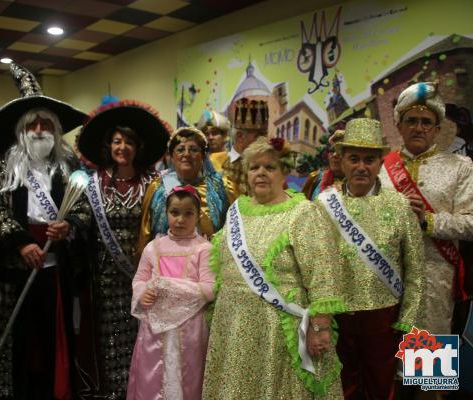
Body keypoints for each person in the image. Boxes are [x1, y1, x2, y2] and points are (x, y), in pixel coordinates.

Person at [203, 136, 345, 399]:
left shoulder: (302, 213)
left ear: (284, 173)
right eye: (254, 167)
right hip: (234, 327)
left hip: (278, 331)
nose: (260, 173)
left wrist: (320, 327)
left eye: (269, 167)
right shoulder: (237, 209)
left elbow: (323, 274)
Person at [0, 63, 87, 399]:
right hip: (20, 263)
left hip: (58, 263)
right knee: (20, 338)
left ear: (55, 130)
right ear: (21, 130)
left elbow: (84, 205)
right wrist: (20, 244)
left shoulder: (69, 164)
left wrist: (70, 224)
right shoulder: (4, 163)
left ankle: (56, 389)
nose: (39, 129)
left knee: (54, 332)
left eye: (45, 124)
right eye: (32, 124)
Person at [317, 118, 426, 399]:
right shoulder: (323, 205)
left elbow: (415, 269)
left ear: (380, 163)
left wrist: (407, 320)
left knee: (381, 386)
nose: (361, 167)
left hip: (383, 316)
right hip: (337, 317)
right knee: (342, 387)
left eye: (369, 159)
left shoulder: (399, 206)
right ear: (340, 161)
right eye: (354, 158)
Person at [72, 100, 170, 399]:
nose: (123, 147)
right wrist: (70, 225)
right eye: (117, 141)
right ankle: (114, 391)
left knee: (144, 335)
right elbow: (83, 217)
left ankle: (143, 388)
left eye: (129, 141)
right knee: (110, 338)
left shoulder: (153, 182)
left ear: (138, 147)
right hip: (105, 278)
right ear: (108, 145)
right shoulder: (93, 183)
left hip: (144, 275)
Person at [379, 82, 473, 335]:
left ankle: (426, 377)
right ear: (399, 126)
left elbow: (471, 223)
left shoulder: (460, 167)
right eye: (411, 120)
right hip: (382, 275)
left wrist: (427, 221)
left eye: (426, 122)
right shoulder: (380, 168)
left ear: (437, 129)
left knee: (428, 370)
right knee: (382, 361)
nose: (418, 128)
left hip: (434, 279)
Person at [127, 185, 214, 399]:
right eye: (174, 213)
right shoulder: (153, 248)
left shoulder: (204, 249)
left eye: (188, 213)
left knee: (189, 375)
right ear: (166, 213)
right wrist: (142, 293)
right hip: (155, 330)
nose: (180, 219)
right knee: (153, 376)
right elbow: (139, 279)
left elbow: (210, 289)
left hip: (190, 327)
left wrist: (165, 285)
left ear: (198, 215)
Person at [138, 127, 239, 254]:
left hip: (211, 265)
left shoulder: (222, 187)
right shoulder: (158, 188)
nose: (186, 154)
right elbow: (145, 234)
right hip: (167, 266)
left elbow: (238, 230)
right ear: (172, 156)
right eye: (180, 150)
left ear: (203, 156)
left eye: (193, 150)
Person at [210, 98, 268, 194]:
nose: (264, 141)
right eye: (259, 136)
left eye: (265, 135)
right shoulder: (214, 162)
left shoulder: (267, 165)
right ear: (240, 136)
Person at [301, 130, 344, 200]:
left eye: (340, 151)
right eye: (332, 150)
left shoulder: (357, 187)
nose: (335, 155)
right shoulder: (315, 178)